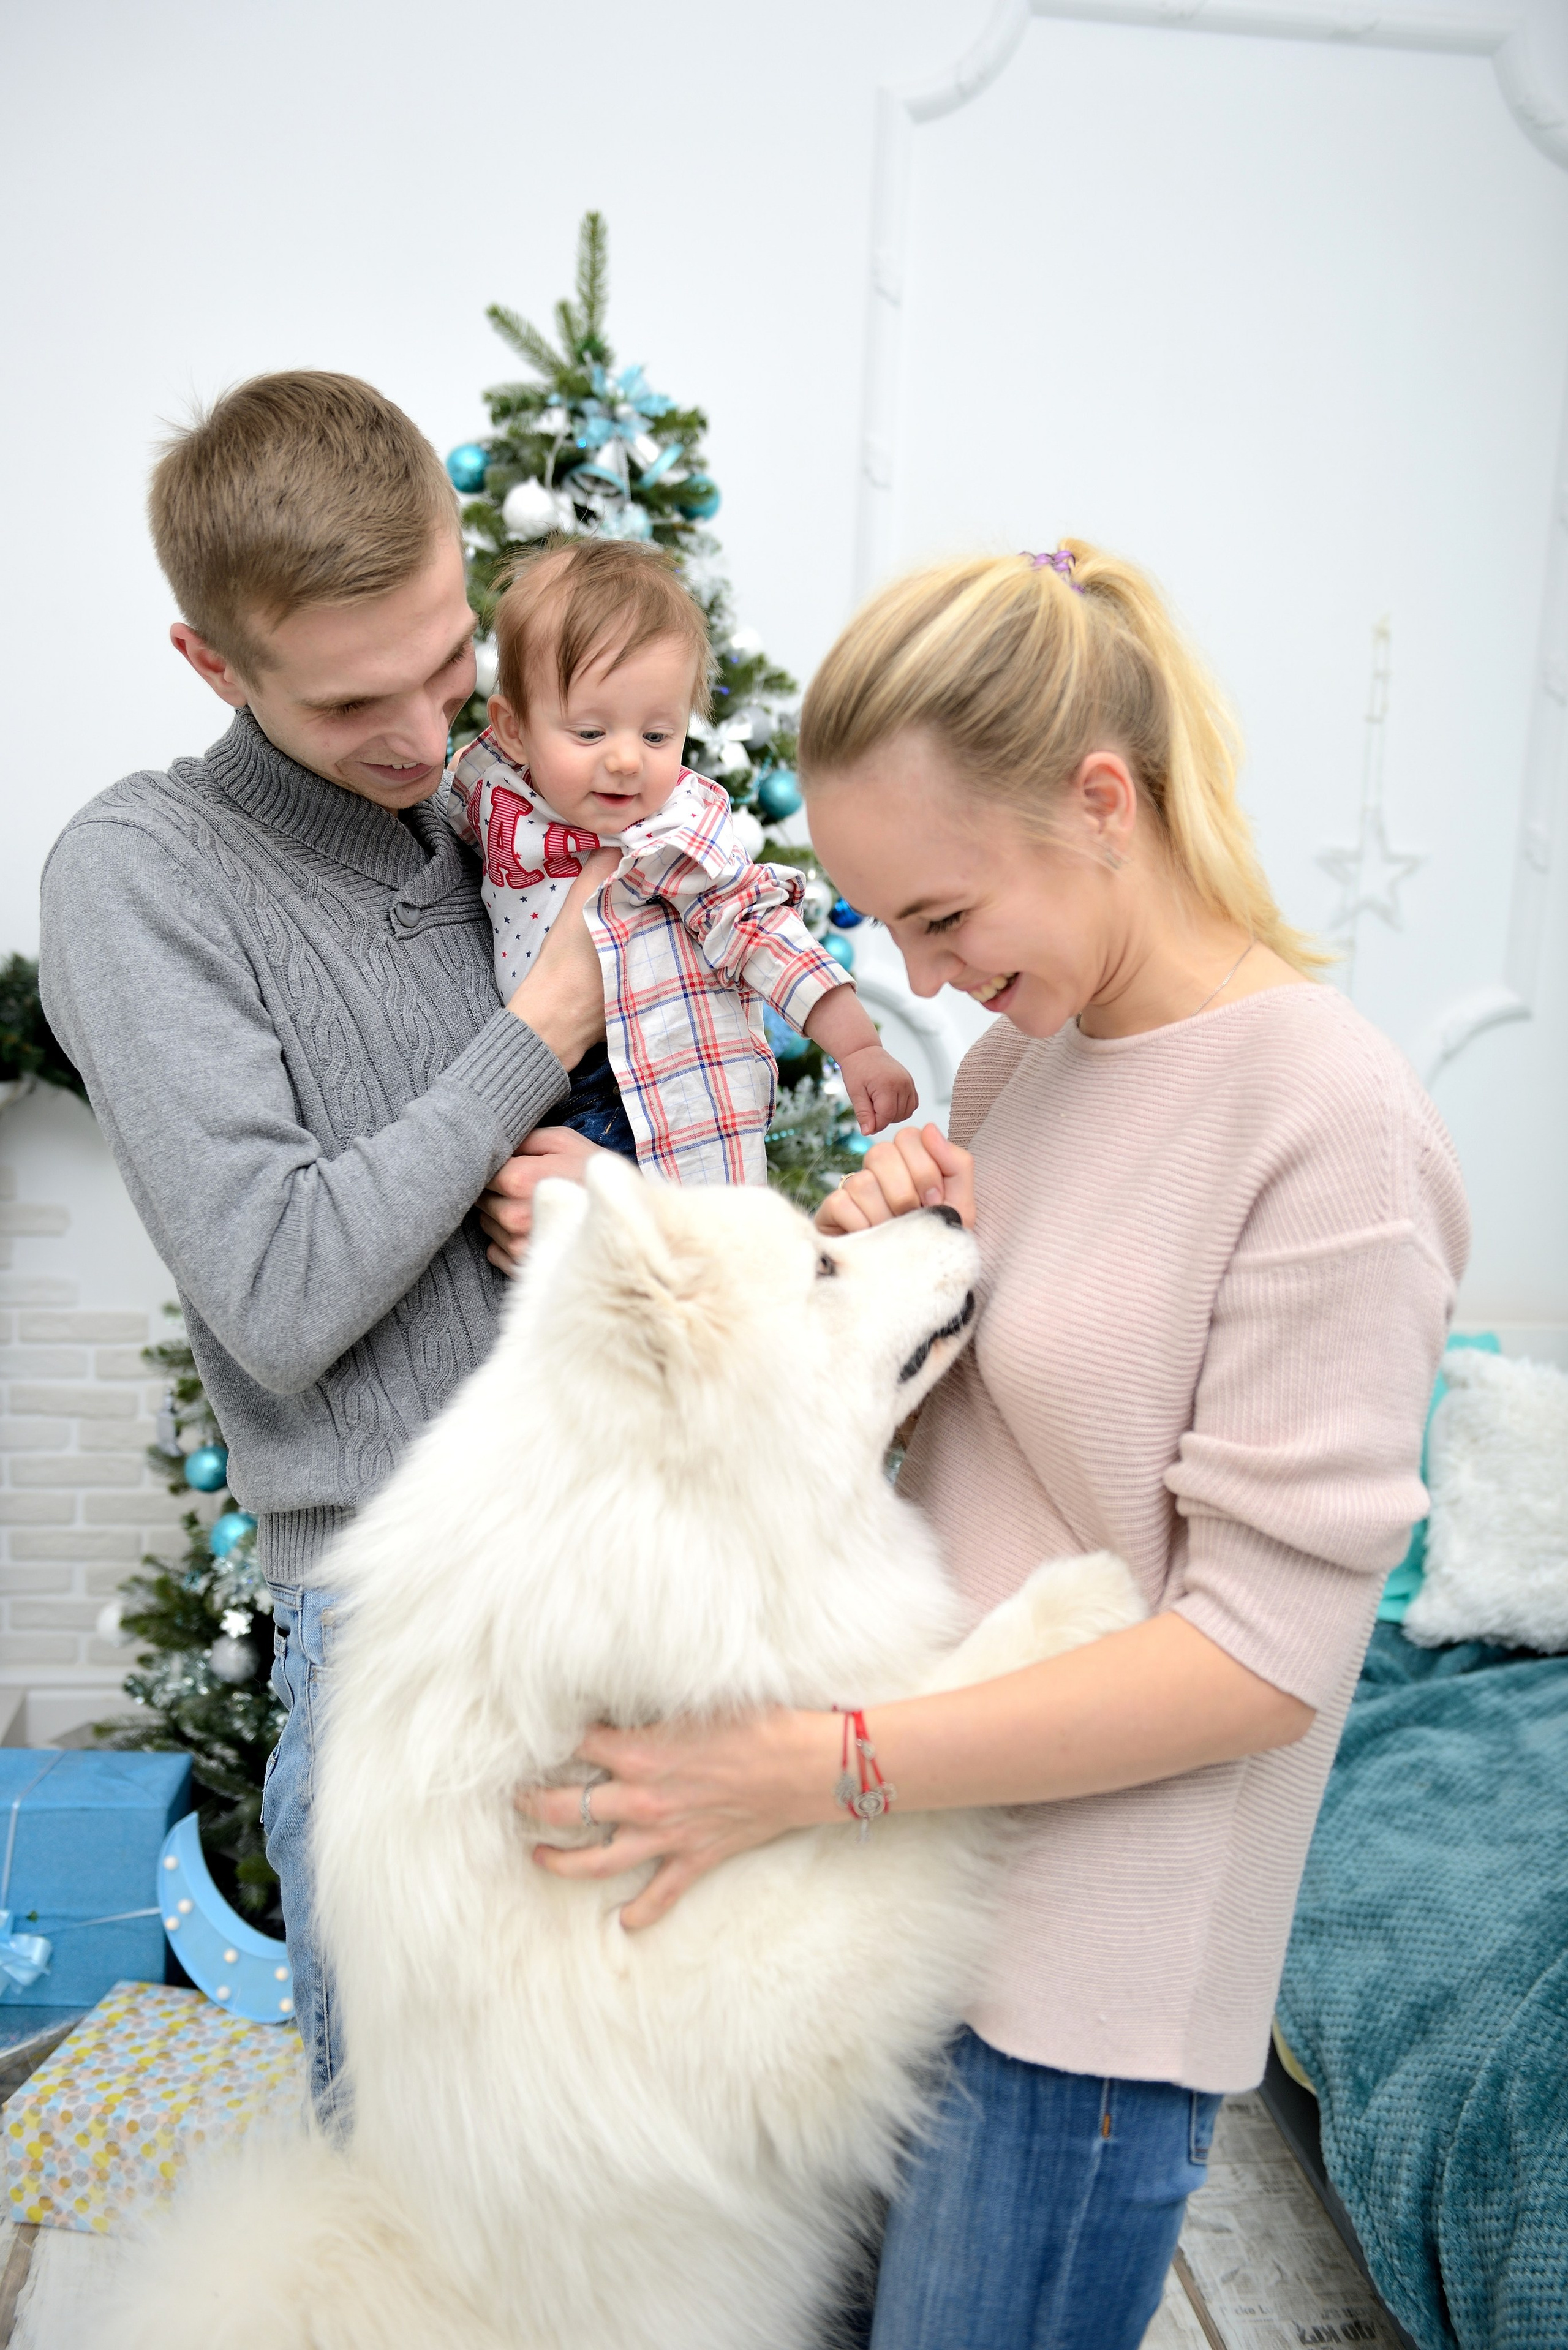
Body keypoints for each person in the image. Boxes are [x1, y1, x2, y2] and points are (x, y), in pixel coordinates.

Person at [509, 543, 1469, 2349]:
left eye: (943, 917)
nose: (922, 973)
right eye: (879, 930)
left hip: (1079, 1998)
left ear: (1100, 800)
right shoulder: (1017, 1074)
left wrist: (811, 1766)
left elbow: (1260, 1659)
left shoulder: (1328, 1126)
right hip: (897, 1901)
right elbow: (976, 1467)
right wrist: (883, 1273)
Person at [37, 371, 611, 2124]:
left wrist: (583, 1175)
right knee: (435, 2217)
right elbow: (280, 1290)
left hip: (629, 1587)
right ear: (214, 664)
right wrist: (533, 1031)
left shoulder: (503, 818)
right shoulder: (147, 875)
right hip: (412, 1645)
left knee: (673, 2186)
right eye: (354, 700)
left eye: (448, 664)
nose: (426, 733)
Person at [450, 538, 914, 1181]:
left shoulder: (679, 833)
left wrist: (858, 1046)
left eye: (657, 735)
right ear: (514, 729)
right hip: (515, 1068)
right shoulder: (486, 791)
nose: (624, 760)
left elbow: (762, 932)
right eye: (589, 732)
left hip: (633, 1091)